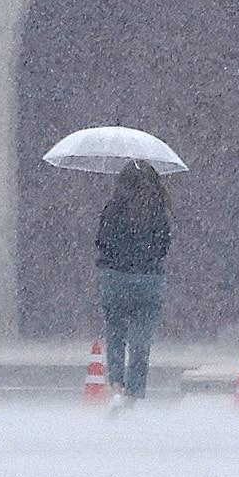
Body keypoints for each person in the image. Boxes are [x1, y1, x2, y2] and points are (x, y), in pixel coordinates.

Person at [95, 161, 171, 409]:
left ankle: (116, 385)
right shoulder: (158, 210)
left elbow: (102, 242)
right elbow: (163, 247)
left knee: (116, 336)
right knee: (141, 340)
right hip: (149, 280)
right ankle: (134, 391)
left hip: (116, 279)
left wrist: (118, 258)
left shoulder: (112, 209)